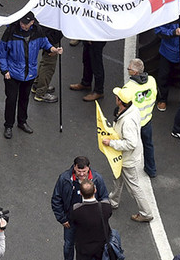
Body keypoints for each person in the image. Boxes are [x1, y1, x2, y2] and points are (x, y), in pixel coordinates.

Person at [0, 12, 59, 138]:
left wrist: (52, 49)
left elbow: (44, 43)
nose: (23, 26)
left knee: (24, 99)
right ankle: (8, 125)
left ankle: (22, 121)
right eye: (22, 23)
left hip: (29, 74)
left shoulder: (38, 31)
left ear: (32, 22)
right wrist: (5, 71)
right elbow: (1, 52)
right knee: (11, 100)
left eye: (26, 23)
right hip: (13, 74)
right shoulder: (10, 31)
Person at [103, 87, 155, 223]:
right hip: (124, 157)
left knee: (134, 186)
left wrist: (112, 143)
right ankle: (113, 200)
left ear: (120, 101)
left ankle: (146, 212)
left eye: (117, 97)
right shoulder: (133, 110)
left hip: (127, 158)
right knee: (117, 177)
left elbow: (130, 143)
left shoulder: (127, 121)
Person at [51, 156, 110, 260]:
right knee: (69, 245)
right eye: (79, 171)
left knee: (88, 247)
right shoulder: (64, 178)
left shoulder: (97, 179)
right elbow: (56, 199)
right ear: (74, 167)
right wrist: (62, 219)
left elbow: (104, 197)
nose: (82, 174)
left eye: (84, 171)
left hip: (90, 222)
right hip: (70, 221)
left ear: (88, 168)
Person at [121, 59, 159, 177]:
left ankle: (130, 171)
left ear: (134, 72)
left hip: (134, 123)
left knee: (131, 147)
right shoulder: (151, 80)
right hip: (147, 120)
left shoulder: (128, 87)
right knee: (148, 145)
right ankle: (151, 169)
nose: (128, 70)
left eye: (129, 69)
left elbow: (123, 106)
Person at [70, 180, 113, 260]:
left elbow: (73, 222)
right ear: (95, 190)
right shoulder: (106, 206)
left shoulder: (76, 210)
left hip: (84, 248)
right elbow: (109, 214)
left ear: (81, 193)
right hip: (101, 246)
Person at [32, 25, 64, 103]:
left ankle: (37, 85)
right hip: (52, 37)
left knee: (44, 62)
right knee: (49, 65)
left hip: (48, 35)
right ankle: (41, 92)